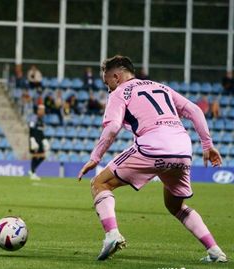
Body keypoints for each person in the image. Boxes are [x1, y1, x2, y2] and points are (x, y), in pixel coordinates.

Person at [78, 55, 227, 262]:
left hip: (152, 147)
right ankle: (215, 251)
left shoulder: (120, 92)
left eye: (107, 83)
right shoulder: (161, 87)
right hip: (182, 150)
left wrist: (96, 157)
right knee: (176, 206)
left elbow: (112, 127)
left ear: (116, 77)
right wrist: (208, 145)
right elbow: (194, 110)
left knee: (100, 183)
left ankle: (112, 235)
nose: (108, 88)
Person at [28, 104, 49, 180]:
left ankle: (32, 170)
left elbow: (41, 132)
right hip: (34, 140)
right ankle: (32, 172)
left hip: (40, 140)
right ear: (38, 110)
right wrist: (32, 139)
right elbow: (31, 129)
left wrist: (44, 140)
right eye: (42, 110)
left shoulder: (41, 120)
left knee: (43, 156)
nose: (43, 112)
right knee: (35, 155)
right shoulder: (34, 118)